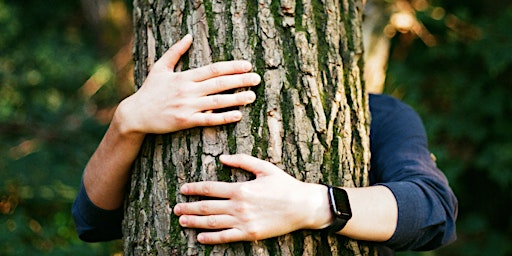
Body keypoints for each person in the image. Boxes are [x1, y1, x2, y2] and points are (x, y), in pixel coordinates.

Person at [72, 34, 458, 254]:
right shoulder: (163, 100)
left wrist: (312, 205)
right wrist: (126, 122)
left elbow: (433, 210)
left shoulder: (380, 114)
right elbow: (92, 221)